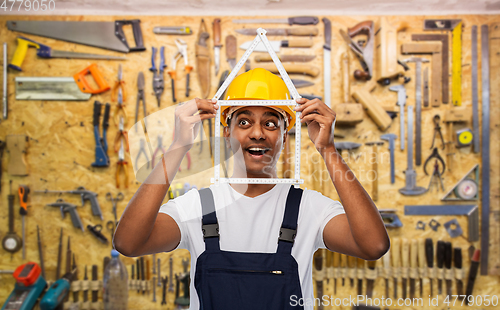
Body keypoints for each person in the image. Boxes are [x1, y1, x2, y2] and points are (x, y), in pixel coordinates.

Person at [114, 68, 390, 309]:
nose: (257, 133)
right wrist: (178, 146)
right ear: (226, 131)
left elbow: (374, 245)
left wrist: (328, 149)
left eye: (271, 123)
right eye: (243, 121)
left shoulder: (309, 208)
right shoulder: (197, 207)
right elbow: (128, 243)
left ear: (284, 135)